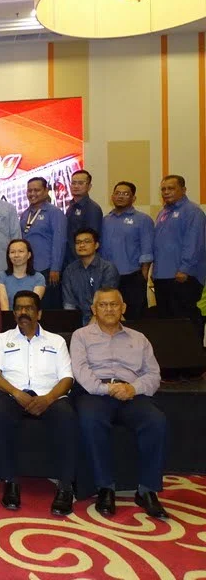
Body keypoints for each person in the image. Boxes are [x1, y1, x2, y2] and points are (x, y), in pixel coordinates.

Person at [71, 288, 168, 519]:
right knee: (90, 419)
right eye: (103, 305)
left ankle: (147, 490)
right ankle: (105, 487)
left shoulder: (139, 338)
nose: (109, 309)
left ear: (123, 308)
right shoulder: (81, 336)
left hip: (132, 393)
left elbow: (153, 375)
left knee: (157, 421)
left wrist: (132, 388)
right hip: (96, 393)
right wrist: (107, 389)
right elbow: (81, 372)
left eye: (114, 304)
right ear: (94, 310)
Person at [0, 290, 77, 516]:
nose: (23, 312)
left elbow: (67, 378)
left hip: (50, 396)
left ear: (39, 313)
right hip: (12, 394)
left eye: (28, 308)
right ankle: (11, 481)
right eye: (18, 308)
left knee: (67, 417)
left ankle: (65, 486)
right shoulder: (1, 339)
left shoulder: (56, 341)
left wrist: (48, 399)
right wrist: (16, 393)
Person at [152, 174, 206, 339]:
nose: (166, 192)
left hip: (182, 277)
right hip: (162, 277)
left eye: (171, 188)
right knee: (167, 321)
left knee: (186, 321)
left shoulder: (193, 212)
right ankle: (173, 360)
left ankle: (192, 359)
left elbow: (194, 243)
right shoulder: (163, 213)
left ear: (183, 190)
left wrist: (185, 269)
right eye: (163, 189)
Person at [100, 182, 154, 320]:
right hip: (108, 277)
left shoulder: (142, 219)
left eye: (125, 194)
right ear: (112, 196)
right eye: (117, 193)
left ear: (133, 198)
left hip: (132, 276)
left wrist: (143, 275)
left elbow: (147, 249)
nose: (120, 196)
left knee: (134, 317)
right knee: (110, 316)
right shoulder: (105, 220)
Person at [20, 177, 67, 309]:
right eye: (29, 190)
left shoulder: (55, 213)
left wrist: (55, 268)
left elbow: (60, 241)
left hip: (48, 270)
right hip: (28, 270)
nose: (32, 194)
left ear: (46, 191)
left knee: (48, 308)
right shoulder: (25, 214)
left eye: (37, 190)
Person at [62, 228, 119, 324]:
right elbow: (69, 304)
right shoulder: (69, 270)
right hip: (78, 320)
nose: (82, 245)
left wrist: (89, 329)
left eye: (87, 242)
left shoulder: (107, 268)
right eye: (78, 242)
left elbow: (106, 302)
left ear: (96, 245)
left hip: (104, 318)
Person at [0, 239, 46, 312]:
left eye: (21, 251)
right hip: (8, 318)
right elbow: (4, 304)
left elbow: (32, 304)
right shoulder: (1, 276)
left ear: (29, 255)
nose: (16, 255)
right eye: (12, 252)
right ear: (8, 255)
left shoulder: (39, 278)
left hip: (30, 318)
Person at [65, 170, 103, 267]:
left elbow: (91, 240)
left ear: (89, 186)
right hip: (69, 260)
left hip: (82, 261)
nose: (76, 186)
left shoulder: (93, 208)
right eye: (73, 183)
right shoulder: (71, 206)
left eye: (81, 183)